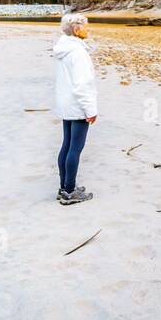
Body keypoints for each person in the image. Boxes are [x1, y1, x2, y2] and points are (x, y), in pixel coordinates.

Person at [52, 12, 98, 205]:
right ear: (77, 29)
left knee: (67, 145)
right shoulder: (78, 52)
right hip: (77, 105)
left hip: (66, 103)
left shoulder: (65, 49)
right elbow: (82, 85)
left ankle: (64, 187)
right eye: (85, 26)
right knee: (75, 148)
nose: (88, 29)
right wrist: (91, 110)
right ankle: (69, 191)